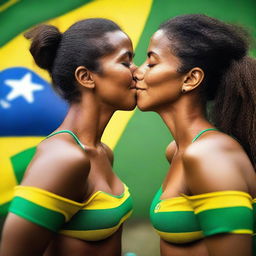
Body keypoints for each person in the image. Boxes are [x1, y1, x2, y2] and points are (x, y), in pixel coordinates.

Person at [0, 18, 137, 256]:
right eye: (126, 62)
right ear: (86, 77)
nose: (139, 71)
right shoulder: (63, 159)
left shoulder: (102, 152)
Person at [134, 14, 256, 256]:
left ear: (191, 79)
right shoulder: (177, 150)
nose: (137, 72)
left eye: (151, 63)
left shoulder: (208, 155)